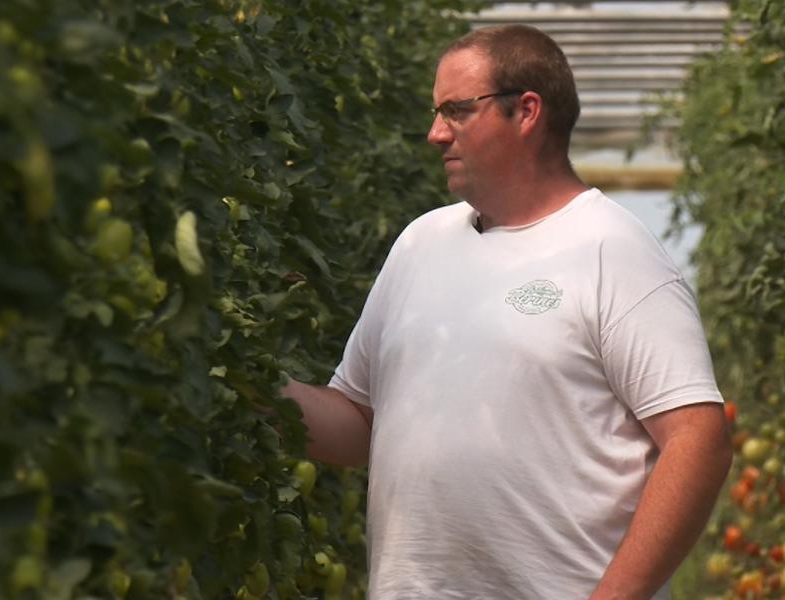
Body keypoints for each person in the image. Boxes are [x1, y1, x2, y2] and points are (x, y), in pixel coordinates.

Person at [282, 24, 732, 600]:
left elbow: (697, 439)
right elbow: (361, 422)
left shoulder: (611, 250)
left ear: (526, 111)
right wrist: (254, 387)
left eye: (456, 111)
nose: (434, 133)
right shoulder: (420, 244)